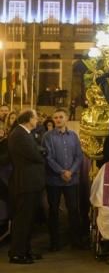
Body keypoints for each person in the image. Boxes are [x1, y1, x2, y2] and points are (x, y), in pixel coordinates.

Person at [42, 108, 83, 250]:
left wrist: (70, 172)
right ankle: (54, 242)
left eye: (60, 117)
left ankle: (76, 241)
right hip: (54, 180)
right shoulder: (47, 136)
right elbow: (48, 157)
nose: (58, 120)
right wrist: (61, 172)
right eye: (56, 117)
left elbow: (79, 156)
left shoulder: (73, 136)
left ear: (66, 119)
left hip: (71, 180)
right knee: (53, 210)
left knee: (73, 209)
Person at [7, 109, 45, 263]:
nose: (37, 120)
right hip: (25, 183)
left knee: (29, 219)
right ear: (29, 119)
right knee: (23, 219)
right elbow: (36, 155)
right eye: (35, 118)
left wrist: (41, 151)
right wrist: (42, 152)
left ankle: (25, 250)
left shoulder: (26, 133)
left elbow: (38, 151)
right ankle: (17, 253)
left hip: (31, 182)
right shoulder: (19, 134)